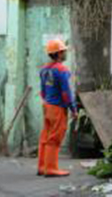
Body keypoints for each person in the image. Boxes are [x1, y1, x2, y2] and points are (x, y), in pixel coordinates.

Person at [37, 39, 77, 177]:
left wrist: (48, 101)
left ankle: (42, 167)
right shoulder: (62, 70)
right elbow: (66, 92)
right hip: (58, 108)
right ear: (59, 53)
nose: (65, 53)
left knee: (45, 137)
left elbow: (42, 91)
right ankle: (51, 169)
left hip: (47, 106)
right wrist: (73, 109)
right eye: (64, 51)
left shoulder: (43, 70)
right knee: (55, 138)